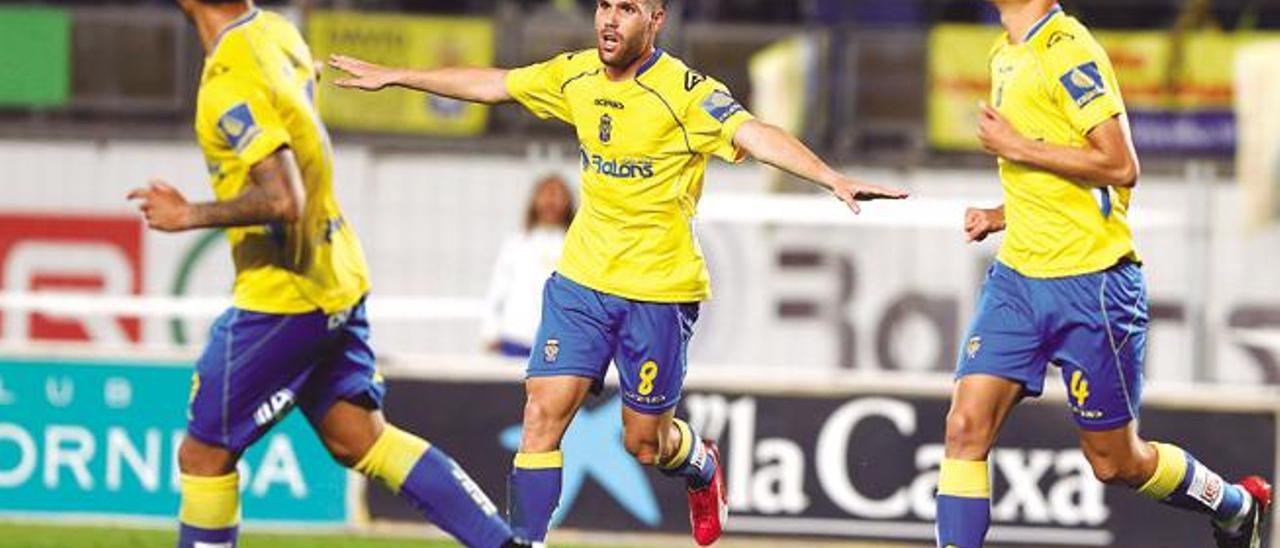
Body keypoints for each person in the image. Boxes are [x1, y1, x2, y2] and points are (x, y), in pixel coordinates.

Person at [329, 0, 908, 544]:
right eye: (604, 5)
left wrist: (831, 177)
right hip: (582, 282)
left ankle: (701, 464)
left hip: (657, 292)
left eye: (627, 8)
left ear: (655, 19)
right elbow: (496, 83)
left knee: (645, 444)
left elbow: (756, 135)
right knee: (540, 416)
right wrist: (399, 75)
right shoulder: (575, 76)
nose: (609, 20)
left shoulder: (686, 94)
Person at [129, 2, 526, 547]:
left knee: (203, 455)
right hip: (336, 276)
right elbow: (301, 85)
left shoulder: (229, 81)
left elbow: (283, 199)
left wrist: (187, 215)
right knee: (361, 439)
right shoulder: (276, 33)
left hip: (284, 297)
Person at [937, 2, 1272, 547]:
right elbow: (1058, 177)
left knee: (1116, 462)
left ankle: (1234, 505)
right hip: (1018, 279)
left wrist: (1015, 145)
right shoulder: (1005, 52)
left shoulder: (1067, 49)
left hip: (1091, 287)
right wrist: (1003, 214)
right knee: (964, 428)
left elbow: (1119, 166)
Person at [481, 174, 576, 357]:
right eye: (546, 194)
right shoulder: (516, 242)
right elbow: (497, 290)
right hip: (516, 338)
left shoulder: (575, 245)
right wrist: (490, 331)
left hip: (558, 344)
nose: (551, 201)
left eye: (557, 195)